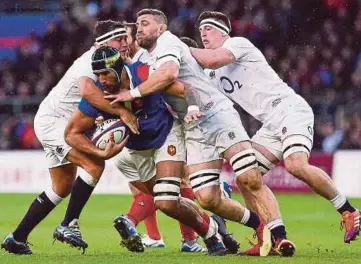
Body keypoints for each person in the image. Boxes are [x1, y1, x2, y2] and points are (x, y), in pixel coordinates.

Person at [106, 8, 277, 257]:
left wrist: (132, 95)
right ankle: (257, 227)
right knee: (207, 198)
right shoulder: (147, 60)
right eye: (137, 25)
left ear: (161, 28)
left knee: (249, 177)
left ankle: (277, 235)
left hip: (215, 115)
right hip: (191, 126)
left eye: (144, 24)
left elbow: (173, 78)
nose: (139, 28)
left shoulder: (167, 43)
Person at [190, 10, 360, 250]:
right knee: (246, 177)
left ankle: (349, 210)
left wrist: (178, 47)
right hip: (269, 123)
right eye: (200, 31)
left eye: (208, 28)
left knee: (295, 165)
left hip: (289, 109)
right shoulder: (211, 74)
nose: (203, 34)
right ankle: (270, 237)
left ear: (223, 31)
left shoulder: (237, 44)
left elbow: (211, 59)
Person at [67, 46, 231, 255]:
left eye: (106, 73)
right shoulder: (99, 94)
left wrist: (192, 108)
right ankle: (211, 229)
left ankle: (208, 236)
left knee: (165, 199)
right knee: (169, 204)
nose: (102, 80)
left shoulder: (144, 72)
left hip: (167, 135)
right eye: (97, 75)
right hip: (138, 150)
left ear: (119, 69)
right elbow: (71, 134)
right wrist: (100, 154)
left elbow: (186, 89)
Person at [1, 20, 136, 255]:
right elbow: (86, 91)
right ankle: (68, 224)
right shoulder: (90, 60)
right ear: (103, 43)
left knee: (61, 187)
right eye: (119, 39)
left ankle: (17, 238)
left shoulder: (116, 62)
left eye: (125, 38)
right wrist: (121, 111)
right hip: (54, 122)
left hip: (60, 122)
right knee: (94, 164)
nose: (125, 43)